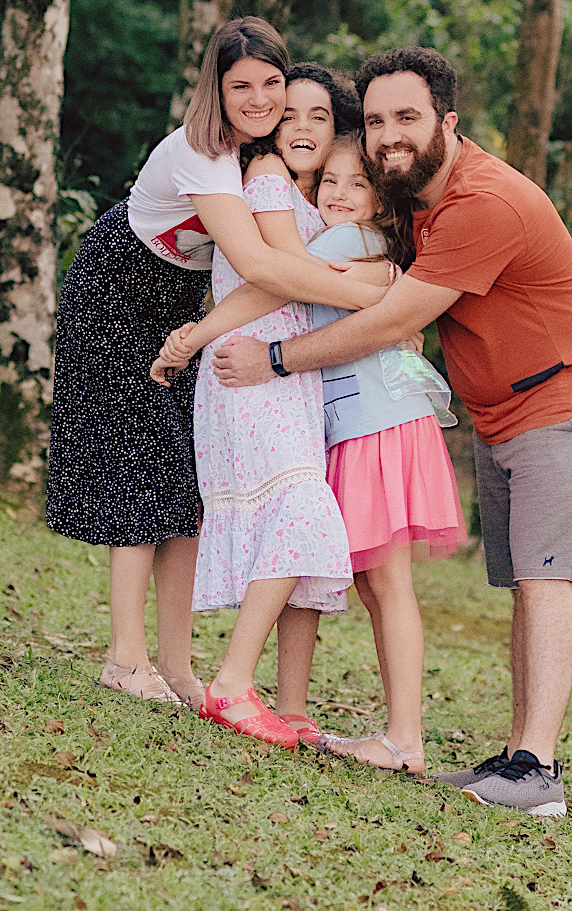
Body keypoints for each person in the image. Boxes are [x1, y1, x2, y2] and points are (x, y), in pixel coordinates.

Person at [212, 46, 572, 816]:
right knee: (518, 580)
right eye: (374, 121)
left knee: (545, 575)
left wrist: (275, 357)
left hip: (564, 396)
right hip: (500, 408)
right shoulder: (410, 201)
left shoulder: (483, 201)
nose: (387, 134)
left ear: (447, 121)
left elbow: (393, 318)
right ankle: (515, 757)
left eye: (406, 117)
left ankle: (537, 773)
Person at [46, 19, 389, 712]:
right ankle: (125, 656)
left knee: (183, 489)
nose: (259, 98)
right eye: (242, 86)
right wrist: (374, 297)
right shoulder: (204, 154)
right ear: (217, 88)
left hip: (175, 299)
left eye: (272, 84)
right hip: (117, 287)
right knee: (139, 470)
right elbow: (263, 264)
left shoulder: (262, 157)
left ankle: (175, 666)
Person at [159, 130, 464, 774]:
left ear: (382, 200)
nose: (340, 193)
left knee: (385, 578)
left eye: (358, 184)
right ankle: (304, 710)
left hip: (376, 419)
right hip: (352, 418)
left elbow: (273, 284)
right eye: (331, 182)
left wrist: (196, 335)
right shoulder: (361, 247)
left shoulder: (347, 242)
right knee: (347, 570)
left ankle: (405, 738)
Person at [151, 66, 368, 750]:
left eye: (319, 117)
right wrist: (388, 296)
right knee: (304, 508)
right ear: (270, 128)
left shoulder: (319, 197)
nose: (302, 127)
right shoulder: (269, 177)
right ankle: (234, 681)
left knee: (295, 519)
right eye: (290, 114)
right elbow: (276, 281)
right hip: (248, 367)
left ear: (337, 132)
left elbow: (306, 280)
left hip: (290, 374)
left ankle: (291, 703)